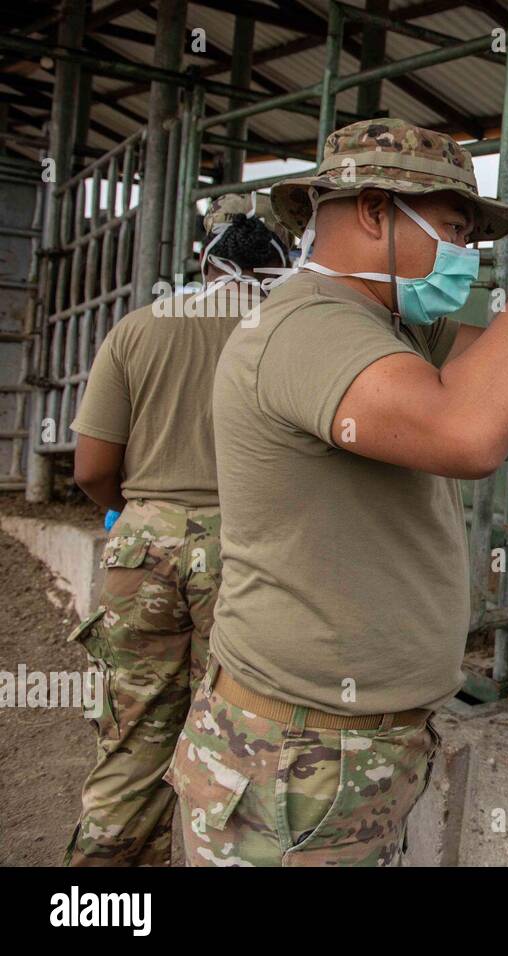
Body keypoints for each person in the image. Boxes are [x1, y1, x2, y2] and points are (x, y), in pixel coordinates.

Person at [167, 119, 508, 866]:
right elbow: (467, 433)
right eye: (453, 229)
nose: (465, 256)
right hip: (296, 755)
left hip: (350, 749)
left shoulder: (388, 321)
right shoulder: (309, 328)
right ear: (376, 211)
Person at [64, 193, 293, 865]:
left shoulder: (138, 328)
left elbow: (91, 467)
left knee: (134, 738)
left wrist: (133, 510)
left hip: (144, 548)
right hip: (246, 554)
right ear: (276, 273)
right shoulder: (282, 337)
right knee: (227, 741)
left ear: (204, 264)